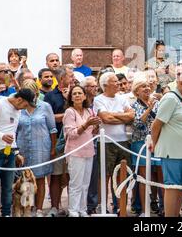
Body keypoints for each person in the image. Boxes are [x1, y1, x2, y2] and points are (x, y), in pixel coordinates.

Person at [151, 71, 182, 217]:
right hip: (173, 153)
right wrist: (155, 145)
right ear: (179, 83)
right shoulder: (171, 98)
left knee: (181, 188)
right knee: (172, 187)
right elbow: (156, 125)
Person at [0, 89, 36, 217]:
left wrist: (16, 152)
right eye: (25, 105)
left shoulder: (18, 110)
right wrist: (2, 136)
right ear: (19, 100)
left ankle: (6, 214)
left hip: (10, 151)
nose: (24, 109)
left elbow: (12, 132)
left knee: (7, 187)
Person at [15, 80, 57, 217]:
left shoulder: (45, 106)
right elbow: (14, 129)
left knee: (39, 178)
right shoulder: (18, 108)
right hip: (23, 147)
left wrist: (53, 148)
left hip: (41, 147)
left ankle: (38, 209)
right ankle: (27, 208)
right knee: (24, 179)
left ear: (36, 92)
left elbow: (52, 129)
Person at [95, 72, 134, 213]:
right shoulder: (98, 100)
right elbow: (105, 119)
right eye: (115, 82)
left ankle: (120, 206)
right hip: (106, 142)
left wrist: (113, 115)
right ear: (105, 85)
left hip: (123, 141)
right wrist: (122, 116)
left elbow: (131, 116)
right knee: (104, 175)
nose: (118, 84)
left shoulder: (122, 98)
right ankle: (102, 205)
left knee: (121, 175)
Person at [63, 85, 101, 217]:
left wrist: (96, 125)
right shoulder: (70, 112)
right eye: (74, 94)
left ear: (85, 96)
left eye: (80, 93)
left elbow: (93, 133)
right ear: (71, 98)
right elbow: (71, 133)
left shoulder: (89, 111)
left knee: (86, 183)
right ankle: (73, 210)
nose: (77, 95)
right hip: (75, 151)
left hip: (89, 150)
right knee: (75, 183)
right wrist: (86, 124)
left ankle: (82, 209)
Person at [44, 65, 73, 217]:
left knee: (71, 175)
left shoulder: (75, 92)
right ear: (62, 79)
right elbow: (49, 117)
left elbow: (79, 111)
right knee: (56, 174)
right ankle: (54, 207)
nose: (73, 78)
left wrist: (69, 99)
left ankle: (72, 207)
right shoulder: (50, 96)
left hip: (74, 140)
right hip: (57, 140)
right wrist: (67, 115)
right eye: (70, 75)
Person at [130, 76, 161, 217]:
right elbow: (137, 124)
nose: (147, 88)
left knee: (160, 174)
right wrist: (149, 109)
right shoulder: (134, 106)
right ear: (136, 91)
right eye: (143, 86)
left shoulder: (158, 103)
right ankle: (143, 210)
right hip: (140, 143)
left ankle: (164, 208)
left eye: (148, 86)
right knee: (143, 177)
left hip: (158, 142)